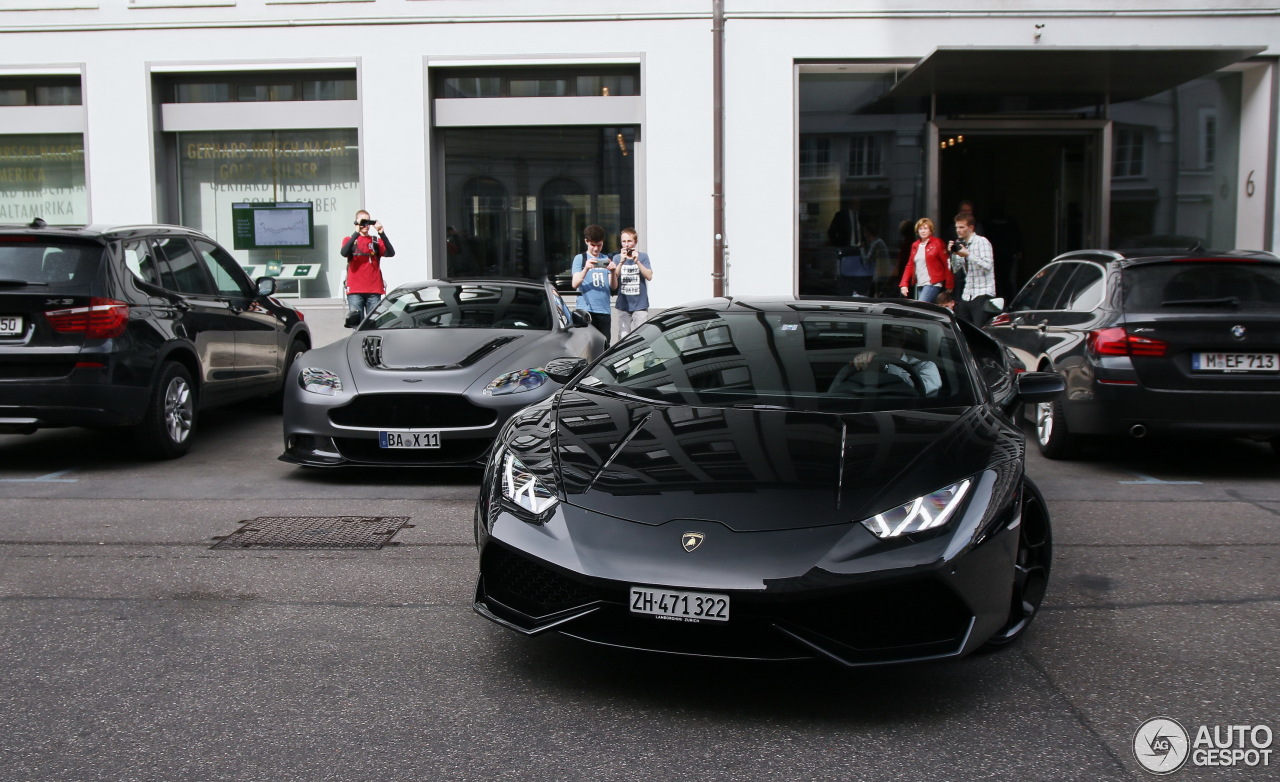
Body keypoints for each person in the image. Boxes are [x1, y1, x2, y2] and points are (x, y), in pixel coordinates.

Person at [828, 326, 942, 397]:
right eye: (877, 337)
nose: (881, 341)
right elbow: (833, 395)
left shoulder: (924, 366)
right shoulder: (858, 364)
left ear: (902, 340)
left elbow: (922, 391)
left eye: (886, 337)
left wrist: (885, 367)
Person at [340, 210, 395, 327]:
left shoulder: (375, 241)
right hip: (355, 290)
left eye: (367, 222)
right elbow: (344, 252)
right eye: (363, 222)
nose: (365, 226)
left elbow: (391, 253)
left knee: (374, 326)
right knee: (357, 326)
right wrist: (356, 232)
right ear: (357, 223)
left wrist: (382, 233)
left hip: (374, 290)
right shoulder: (350, 240)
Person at [571, 224, 617, 344]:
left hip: (604, 310)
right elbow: (575, 284)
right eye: (593, 245)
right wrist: (585, 268)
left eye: (599, 245)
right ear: (586, 241)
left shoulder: (606, 258)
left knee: (604, 346)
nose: (596, 249)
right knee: (586, 345)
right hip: (586, 311)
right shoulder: (580, 258)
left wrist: (613, 272)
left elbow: (613, 286)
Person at [950, 212, 997, 326]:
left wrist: (968, 254)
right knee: (963, 330)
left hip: (983, 292)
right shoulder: (961, 243)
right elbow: (955, 269)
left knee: (980, 331)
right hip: (967, 294)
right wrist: (954, 253)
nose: (958, 230)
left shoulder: (982, 242)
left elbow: (988, 266)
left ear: (971, 228)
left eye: (962, 227)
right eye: (957, 227)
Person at [898, 217, 952, 303]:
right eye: (920, 229)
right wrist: (904, 284)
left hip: (933, 282)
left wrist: (949, 284)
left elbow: (947, 263)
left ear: (931, 230)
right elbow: (910, 265)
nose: (923, 231)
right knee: (928, 309)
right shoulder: (915, 245)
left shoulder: (937, 243)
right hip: (920, 282)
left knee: (920, 306)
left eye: (926, 228)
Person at [611, 227, 652, 339]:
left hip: (640, 304)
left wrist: (637, 261)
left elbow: (649, 276)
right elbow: (614, 277)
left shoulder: (643, 257)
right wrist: (621, 262)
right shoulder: (617, 258)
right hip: (624, 304)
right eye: (624, 241)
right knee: (624, 336)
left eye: (629, 241)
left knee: (643, 336)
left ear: (635, 242)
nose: (627, 244)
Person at [863, 221, 893, 297]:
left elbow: (866, 260)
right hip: (883, 274)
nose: (864, 235)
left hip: (880, 276)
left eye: (865, 232)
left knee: (872, 296)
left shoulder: (876, 243)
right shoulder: (879, 242)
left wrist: (861, 249)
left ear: (868, 233)